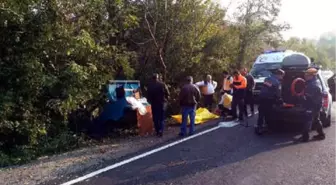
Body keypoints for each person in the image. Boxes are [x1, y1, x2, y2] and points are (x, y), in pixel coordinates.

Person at [255, 69, 284, 134]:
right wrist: (280, 100)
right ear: (279, 75)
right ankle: (268, 127)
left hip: (261, 98)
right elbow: (278, 93)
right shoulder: (277, 82)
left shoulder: (266, 79)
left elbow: (265, 87)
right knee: (268, 113)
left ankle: (259, 127)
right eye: (282, 76)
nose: (282, 78)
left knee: (261, 113)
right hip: (269, 99)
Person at [300, 67, 325, 142]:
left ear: (312, 75)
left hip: (312, 105)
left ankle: (305, 137)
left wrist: (301, 97)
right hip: (316, 105)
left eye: (307, 74)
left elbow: (308, 97)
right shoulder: (314, 82)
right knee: (316, 120)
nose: (305, 76)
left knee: (308, 120)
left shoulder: (312, 85)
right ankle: (321, 135)